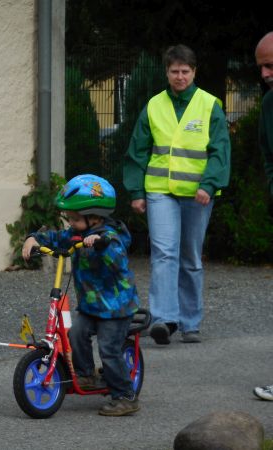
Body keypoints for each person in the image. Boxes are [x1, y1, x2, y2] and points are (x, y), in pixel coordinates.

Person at [122, 44, 231, 345]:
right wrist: (136, 191)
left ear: (194, 72)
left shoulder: (210, 105)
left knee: (190, 257)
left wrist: (209, 184)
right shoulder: (154, 105)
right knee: (164, 254)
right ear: (166, 72)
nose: (180, 76)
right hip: (160, 191)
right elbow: (137, 151)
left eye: (185, 71)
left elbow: (220, 150)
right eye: (174, 71)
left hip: (198, 195)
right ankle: (164, 320)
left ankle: (190, 322)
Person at [22, 174, 141, 416]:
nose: (71, 223)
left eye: (75, 218)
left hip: (116, 308)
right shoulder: (77, 233)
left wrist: (101, 243)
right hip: (91, 305)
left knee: (108, 348)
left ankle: (126, 396)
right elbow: (58, 237)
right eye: (70, 218)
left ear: (95, 216)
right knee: (76, 334)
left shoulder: (112, 237)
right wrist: (34, 239)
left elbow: (117, 257)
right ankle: (86, 375)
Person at [253, 31, 273, 402]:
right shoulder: (269, 106)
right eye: (261, 68)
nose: (266, 73)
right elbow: (268, 155)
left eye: (270, 65)